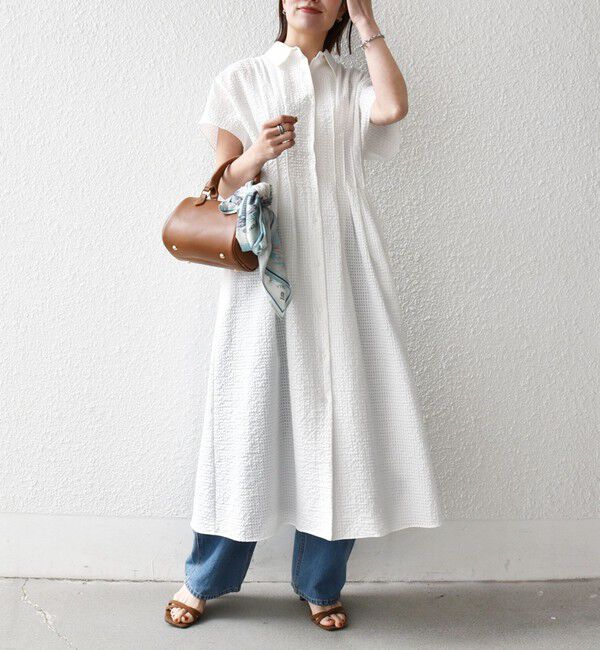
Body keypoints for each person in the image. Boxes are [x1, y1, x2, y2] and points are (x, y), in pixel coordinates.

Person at [165, 0, 442, 632]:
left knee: (339, 424)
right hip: (265, 268)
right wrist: (256, 154)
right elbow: (221, 184)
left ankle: (320, 582)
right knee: (244, 419)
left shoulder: (348, 83)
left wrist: (367, 22)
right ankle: (203, 579)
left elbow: (393, 107)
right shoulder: (241, 78)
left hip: (342, 269)